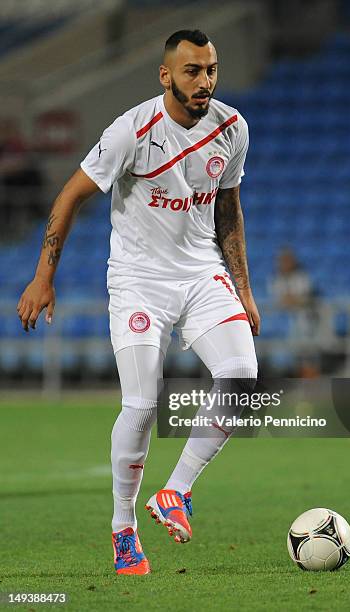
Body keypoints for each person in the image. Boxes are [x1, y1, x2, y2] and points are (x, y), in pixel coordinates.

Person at [17, 30, 260, 576]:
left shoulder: (232, 128)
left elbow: (229, 211)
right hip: (138, 280)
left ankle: (175, 492)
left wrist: (243, 290)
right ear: (165, 74)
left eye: (212, 70)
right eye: (193, 71)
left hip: (201, 274)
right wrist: (42, 278)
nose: (205, 81)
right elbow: (70, 196)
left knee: (243, 379)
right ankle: (123, 530)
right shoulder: (132, 130)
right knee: (143, 404)